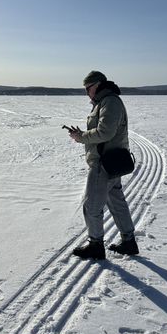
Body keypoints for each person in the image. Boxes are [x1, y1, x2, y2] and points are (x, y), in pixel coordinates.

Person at [67, 70, 139, 260]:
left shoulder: (110, 102)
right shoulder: (104, 102)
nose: (86, 93)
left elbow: (105, 133)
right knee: (116, 201)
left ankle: (96, 245)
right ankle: (129, 241)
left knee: (91, 205)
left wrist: (81, 137)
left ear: (97, 85)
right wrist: (82, 134)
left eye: (87, 88)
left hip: (104, 163)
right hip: (109, 161)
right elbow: (103, 131)